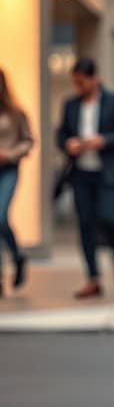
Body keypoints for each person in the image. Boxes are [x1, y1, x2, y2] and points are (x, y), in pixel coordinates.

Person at [56, 58, 114, 299]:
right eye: (74, 83)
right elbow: (61, 133)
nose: (77, 87)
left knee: (109, 218)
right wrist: (67, 144)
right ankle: (93, 279)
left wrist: (103, 140)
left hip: (107, 172)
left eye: (81, 82)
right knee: (85, 225)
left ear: (93, 78)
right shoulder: (70, 104)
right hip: (80, 172)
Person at [0, 68, 34, 294]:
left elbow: (29, 141)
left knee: (0, 216)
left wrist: (9, 154)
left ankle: (18, 257)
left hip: (9, 169)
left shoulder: (15, 113)